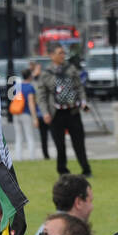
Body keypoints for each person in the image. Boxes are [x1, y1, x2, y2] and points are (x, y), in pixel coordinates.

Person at [36, 44, 92, 177]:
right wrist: (45, 113)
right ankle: (62, 170)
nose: (62, 56)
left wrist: (83, 102)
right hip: (56, 114)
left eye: (63, 53)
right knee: (59, 144)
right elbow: (41, 95)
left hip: (72, 111)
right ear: (52, 56)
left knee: (79, 142)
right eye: (59, 53)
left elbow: (79, 88)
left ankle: (86, 169)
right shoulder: (46, 73)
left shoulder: (71, 69)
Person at [10, 68, 38, 160]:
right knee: (29, 136)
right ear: (30, 76)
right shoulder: (30, 87)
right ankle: (32, 157)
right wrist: (35, 117)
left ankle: (19, 157)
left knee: (18, 137)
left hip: (16, 113)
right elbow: (31, 103)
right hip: (26, 113)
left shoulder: (17, 86)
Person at [29, 61, 51, 160]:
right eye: (37, 69)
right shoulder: (32, 82)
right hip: (40, 113)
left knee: (54, 134)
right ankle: (46, 154)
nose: (39, 71)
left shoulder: (44, 79)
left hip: (48, 111)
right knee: (43, 136)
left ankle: (52, 153)